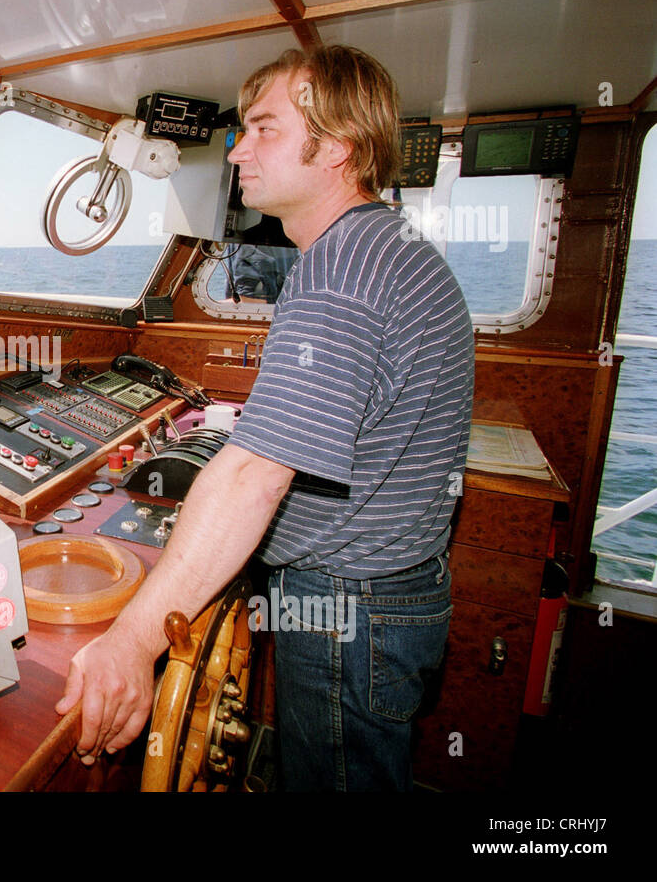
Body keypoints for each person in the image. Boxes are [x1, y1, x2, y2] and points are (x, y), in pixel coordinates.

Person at [55, 45, 474, 791]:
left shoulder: (341, 268)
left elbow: (252, 479)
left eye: (264, 128)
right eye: (239, 131)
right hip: (392, 595)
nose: (238, 149)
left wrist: (128, 645)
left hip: (351, 606)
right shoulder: (387, 247)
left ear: (337, 146)